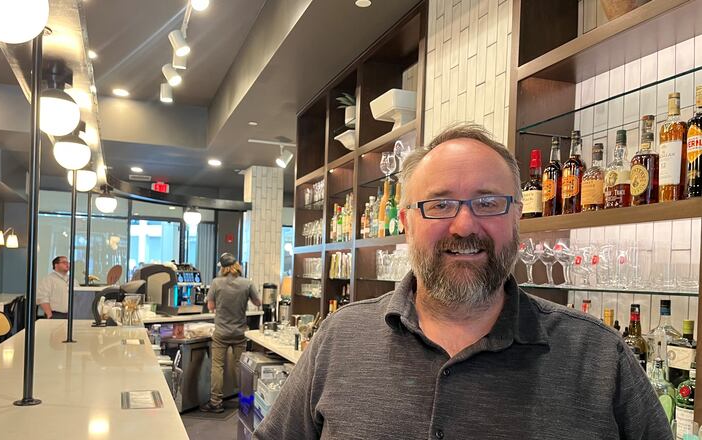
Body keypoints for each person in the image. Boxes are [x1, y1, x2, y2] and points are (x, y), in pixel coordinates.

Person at [254, 124, 672, 439]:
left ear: (517, 218)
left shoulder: (599, 358)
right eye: (440, 204)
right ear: (406, 223)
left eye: (488, 202)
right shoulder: (340, 339)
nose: (464, 225)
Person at [200, 252, 261, 413]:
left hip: (221, 332)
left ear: (223, 268)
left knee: (217, 367)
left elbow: (211, 306)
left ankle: (216, 402)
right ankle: (245, 402)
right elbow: (258, 302)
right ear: (237, 265)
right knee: (241, 367)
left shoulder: (216, 283)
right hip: (240, 332)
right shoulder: (247, 283)